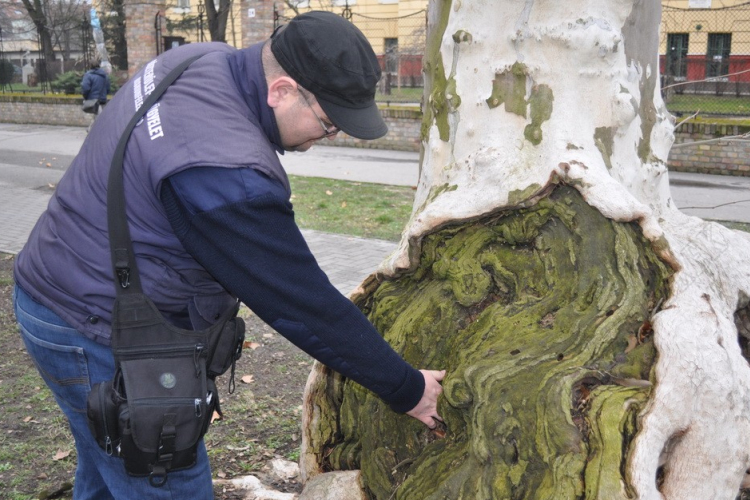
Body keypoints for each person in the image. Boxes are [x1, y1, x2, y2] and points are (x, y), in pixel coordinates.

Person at [13, 11, 445, 499]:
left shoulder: (201, 58)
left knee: (107, 465)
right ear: (282, 90)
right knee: (168, 483)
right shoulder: (224, 172)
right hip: (90, 327)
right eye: (328, 124)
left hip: (52, 287)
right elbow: (301, 302)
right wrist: (407, 388)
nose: (333, 137)